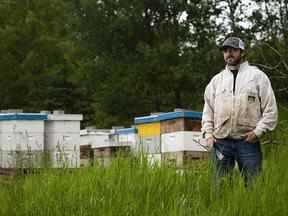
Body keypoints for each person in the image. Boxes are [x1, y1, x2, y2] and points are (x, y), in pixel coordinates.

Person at [201, 36, 278, 187]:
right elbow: (207, 112)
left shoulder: (258, 77)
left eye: (233, 50)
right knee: (220, 187)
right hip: (221, 142)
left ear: (242, 52)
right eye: (225, 50)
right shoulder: (216, 81)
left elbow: (271, 110)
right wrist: (208, 134)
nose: (229, 53)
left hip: (248, 141)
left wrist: (258, 132)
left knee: (254, 187)